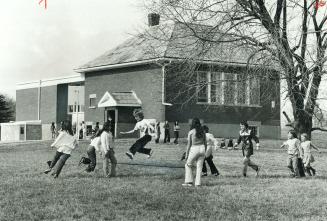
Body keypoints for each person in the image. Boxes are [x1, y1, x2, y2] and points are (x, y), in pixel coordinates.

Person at [182, 118, 207, 187]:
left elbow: (189, 145)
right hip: (202, 148)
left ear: (192, 124)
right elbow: (205, 143)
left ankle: (189, 182)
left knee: (188, 164)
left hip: (194, 148)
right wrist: (205, 152)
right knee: (199, 167)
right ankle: (197, 184)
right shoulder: (203, 131)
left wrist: (186, 155)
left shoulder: (191, 132)